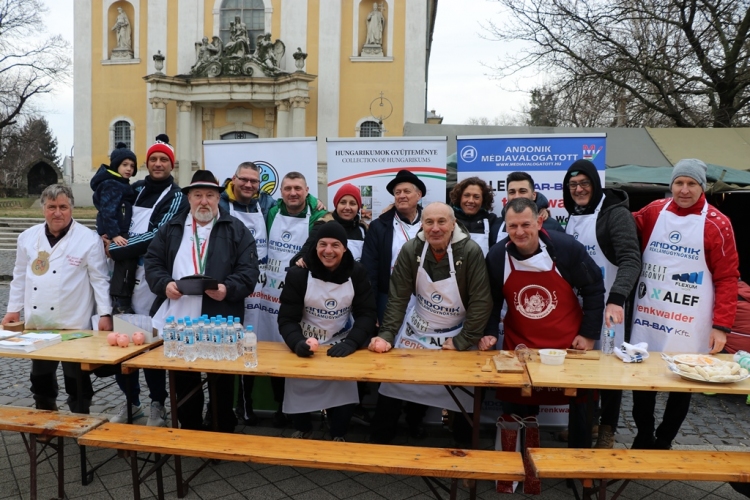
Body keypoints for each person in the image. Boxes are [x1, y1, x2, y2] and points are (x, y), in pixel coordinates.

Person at [630, 158, 739, 450]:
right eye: (679, 183)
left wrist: (721, 327)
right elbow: (624, 228)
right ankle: (642, 435)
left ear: (701, 187)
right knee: (642, 380)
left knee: (683, 384)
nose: (684, 190)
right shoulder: (654, 211)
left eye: (691, 184)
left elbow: (728, 278)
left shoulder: (718, 224)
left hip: (691, 321)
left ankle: (664, 440)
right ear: (671, 185)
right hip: (650, 316)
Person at [483, 197, 605, 449]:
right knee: (517, 406)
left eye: (526, 224)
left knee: (580, 406)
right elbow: (491, 301)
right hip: (521, 347)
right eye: (512, 226)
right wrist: (490, 332)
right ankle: (517, 460)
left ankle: (578, 463)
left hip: (568, 345)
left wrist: (589, 334)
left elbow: (593, 288)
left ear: (539, 221)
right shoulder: (497, 257)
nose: (519, 232)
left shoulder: (566, 248)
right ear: (505, 226)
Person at [145, 170, 259, 433]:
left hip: (219, 320)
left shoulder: (236, 229)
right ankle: (191, 429)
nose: (204, 201)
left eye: (210, 195)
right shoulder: (171, 228)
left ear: (219, 198)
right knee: (184, 380)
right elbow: (153, 263)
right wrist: (165, 284)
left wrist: (226, 288)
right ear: (189, 198)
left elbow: (249, 271)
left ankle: (221, 431)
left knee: (221, 380)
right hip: (179, 320)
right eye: (198, 195)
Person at [368, 202, 492, 445]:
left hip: (455, 334)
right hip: (418, 329)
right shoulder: (411, 249)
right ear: (422, 224)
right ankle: (378, 444)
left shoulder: (470, 251)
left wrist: (463, 340)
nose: (435, 228)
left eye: (441, 222)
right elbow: (397, 298)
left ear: (453, 223)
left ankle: (466, 452)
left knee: (462, 394)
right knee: (391, 387)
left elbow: (481, 302)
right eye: (429, 222)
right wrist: (387, 334)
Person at [2, 185, 112, 413]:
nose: (57, 213)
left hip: (75, 322)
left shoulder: (88, 239)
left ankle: (80, 416)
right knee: (40, 376)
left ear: (71, 209)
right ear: (43, 209)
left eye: (63, 207)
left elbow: (100, 280)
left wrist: (105, 314)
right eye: (52, 207)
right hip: (39, 322)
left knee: (77, 377)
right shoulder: (27, 238)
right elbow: (20, 276)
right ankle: (45, 413)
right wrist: (13, 310)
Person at [107, 134, 187, 426]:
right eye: (153, 158)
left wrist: (116, 247)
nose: (157, 163)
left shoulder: (177, 197)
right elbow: (112, 212)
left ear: (171, 165)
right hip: (124, 278)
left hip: (153, 278)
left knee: (151, 344)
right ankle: (132, 404)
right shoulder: (135, 189)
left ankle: (157, 404)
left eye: (163, 159)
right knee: (123, 344)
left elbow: (157, 236)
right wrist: (106, 230)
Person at [562, 159, 642, 448]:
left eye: (585, 184)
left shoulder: (615, 214)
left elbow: (631, 260)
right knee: (582, 366)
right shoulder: (572, 214)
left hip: (610, 309)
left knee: (609, 368)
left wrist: (617, 298)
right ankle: (585, 425)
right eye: (573, 185)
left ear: (595, 184)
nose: (579, 189)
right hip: (579, 306)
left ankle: (607, 427)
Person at [279, 221, 377, 441]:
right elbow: (286, 319)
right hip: (305, 341)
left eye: (335, 245)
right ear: (315, 247)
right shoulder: (298, 275)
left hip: (340, 342)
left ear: (344, 248)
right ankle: (304, 429)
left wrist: (353, 342)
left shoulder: (357, 273)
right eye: (322, 244)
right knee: (299, 388)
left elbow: (367, 314)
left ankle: (338, 433)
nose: (328, 250)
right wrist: (296, 343)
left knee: (343, 390)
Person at [256, 171, 326, 425]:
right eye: (288, 189)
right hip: (269, 297)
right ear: (281, 192)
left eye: (298, 188)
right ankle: (279, 407)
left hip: (301, 296)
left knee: (299, 351)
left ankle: (302, 412)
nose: (293, 193)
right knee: (274, 353)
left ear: (307, 190)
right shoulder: (271, 211)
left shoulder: (317, 215)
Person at [362, 169, 426, 322]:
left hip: (426, 297)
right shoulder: (379, 226)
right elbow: (370, 269)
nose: (401, 195)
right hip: (389, 296)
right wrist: (371, 308)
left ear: (419, 195)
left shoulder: (431, 223)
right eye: (397, 192)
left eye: (406, 191)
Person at [90, 142, 138, 314]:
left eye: (132, 165)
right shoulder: (112, 185)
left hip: (118, 230)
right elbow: (108, 211)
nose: (129, 169)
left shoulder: (121, 184)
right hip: (114, 232)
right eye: (125, 165)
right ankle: (120, 300)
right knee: (124, 262)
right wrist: (114, 234)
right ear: (116, 165)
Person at [293, 183, 368, 265]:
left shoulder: (363, 229)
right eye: (343, 202)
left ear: (358, 207)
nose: (347, 207)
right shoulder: (322, 225)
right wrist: (300, 259)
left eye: (352, 203)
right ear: (336, 205)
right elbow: (305, 250)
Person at [489, 171, 564, 244]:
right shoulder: (496, 225)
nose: (517, 196)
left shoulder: (552, 226)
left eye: (522, 191)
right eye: (512, 192)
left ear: (534, 195)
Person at [449, 177, 497, 256]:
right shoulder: (449, 219)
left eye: (476, 197)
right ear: (459, 197)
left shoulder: (491, 221)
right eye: (466, 195)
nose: (471, 200)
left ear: (483, 200)